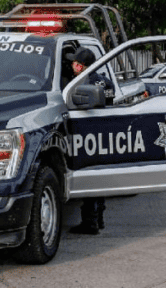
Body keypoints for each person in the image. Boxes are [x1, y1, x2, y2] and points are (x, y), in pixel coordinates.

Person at [67, 47, 112, 235]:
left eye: (74, 62)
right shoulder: (106, 82)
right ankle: (99, 219)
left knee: (89, 178)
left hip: (88, 135)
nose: (71, 65)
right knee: (99, 178)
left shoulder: (80, 84)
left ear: (80, 65)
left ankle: (90, 222)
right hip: (106, 134)